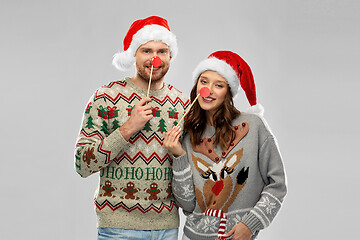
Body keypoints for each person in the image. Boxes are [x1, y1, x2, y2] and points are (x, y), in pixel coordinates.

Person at [74, 16, 190, 240]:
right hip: (117, 229)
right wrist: (127, 128)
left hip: (167, 228)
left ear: (171, 56)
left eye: (161, 51)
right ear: (133, 54)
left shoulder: (183, 104)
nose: (154, 58)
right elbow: (82, 164)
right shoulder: (105, 97)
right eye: (146, 51)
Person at [163, 51, 287, 240]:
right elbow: (187, 204)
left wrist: (249, 225)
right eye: (204, 82)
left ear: (228, 92)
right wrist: (179, 156)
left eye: (218, 85)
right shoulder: (187, 135)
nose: (208, 90)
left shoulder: (254, 127)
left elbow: (277, 185)